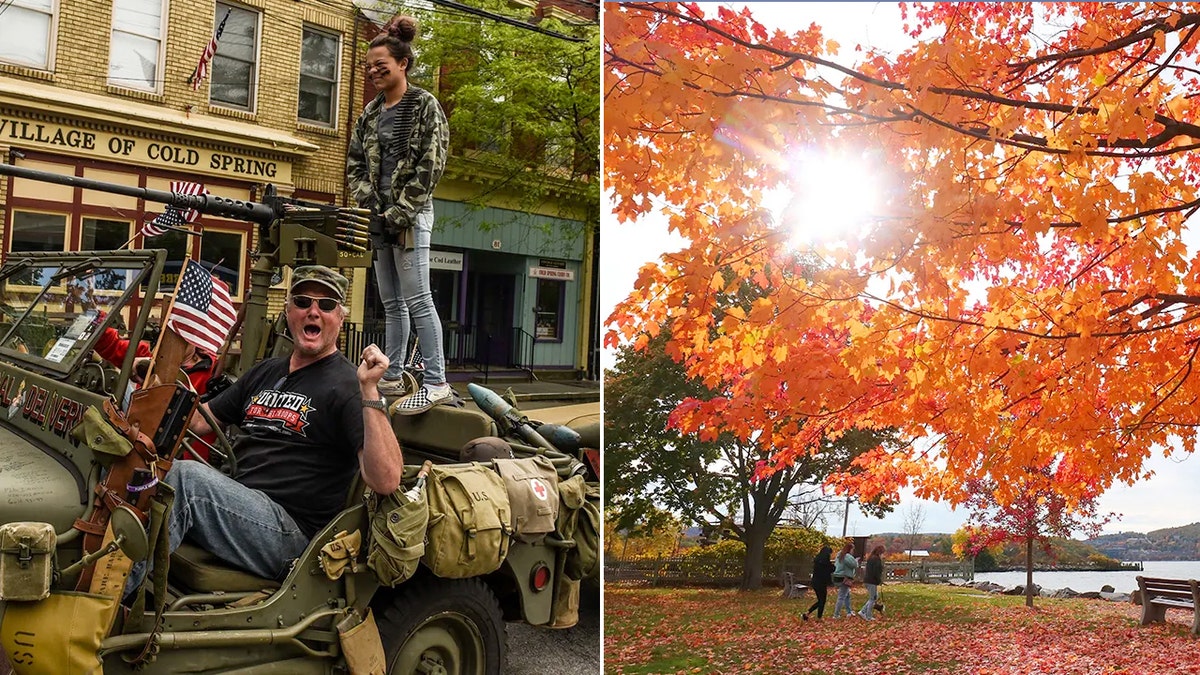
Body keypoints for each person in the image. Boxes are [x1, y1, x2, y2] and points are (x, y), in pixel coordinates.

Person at [127, 265, 403, 590]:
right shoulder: (267, 371)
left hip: (290, 533)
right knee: (141, 471)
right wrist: (155, 387)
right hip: (242, 504)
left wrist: (370, 390)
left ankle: (108, 602)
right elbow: (201, 420)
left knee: (187, 481)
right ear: (288, 312)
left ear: (340, 318)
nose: (313, 311)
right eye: (302, 302)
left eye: (326, 305)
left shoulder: (348, 386)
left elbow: (386, 480)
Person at [347, 16, 452, 416]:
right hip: (380, 218)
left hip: (411, 218)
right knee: (391, 302)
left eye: (381, 65)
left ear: (403, 63)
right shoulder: (369, 114)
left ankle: (437, 380)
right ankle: (392, 373)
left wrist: (399, 212)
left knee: (419, 298)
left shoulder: (425, 106)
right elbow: (355, 165)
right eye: (369, 67)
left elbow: (432, 163)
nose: (374, 72)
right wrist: (372, 207)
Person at [802, 545, 834, 621]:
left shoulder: (817, 560)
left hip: (815, 582)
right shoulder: (825, 562)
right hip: (822, 583)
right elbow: (832, 569)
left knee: (820, 600)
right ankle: (818, 616)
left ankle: (808, 613)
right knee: (822, 601)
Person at [831, 541, 859, 619]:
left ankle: (849, 611)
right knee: (842, 596)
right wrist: (856, 561)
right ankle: (836, 614)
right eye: (852, 549)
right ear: (850, 549)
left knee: (847, 595)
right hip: (844, 578)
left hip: (837, 577)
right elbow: (854, 565)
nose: (853, 551)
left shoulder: (839, 554)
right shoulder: (847, 556)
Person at [858, 545, 885, 620]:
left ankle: (863, 611)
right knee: (872, 598)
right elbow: (876, 571)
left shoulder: (871, 558)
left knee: (875, 596)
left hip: (868, 580)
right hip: (872, 581)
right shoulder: (876, 560)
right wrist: (879, 580)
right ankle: (868, 615)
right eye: (883, 553)